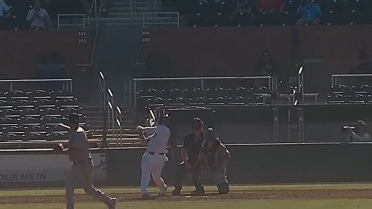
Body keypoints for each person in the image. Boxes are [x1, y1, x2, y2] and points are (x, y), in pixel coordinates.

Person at [56, 113, 117, 209]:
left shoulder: (79, 134)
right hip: (78, 164)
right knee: (69, 185)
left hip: (84, 165)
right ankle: (70, 207)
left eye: (70, 122)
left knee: (89, 190)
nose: (70, 125)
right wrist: (63, 127)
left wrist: (61, 151)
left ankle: (110, 201)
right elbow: (72, 129)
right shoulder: (76, 130)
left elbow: (75, 151)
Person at [136, 114, 171, 199]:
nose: (164, 122)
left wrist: (142, 129)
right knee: (146, 173)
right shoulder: (157, 131)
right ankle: (143, 192)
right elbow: (147, 140)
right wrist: (141, 134)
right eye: (163, 120)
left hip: (160, 157)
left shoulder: (166, 130)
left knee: (156, 176)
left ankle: (163, 188)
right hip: (148, 155)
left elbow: (151, 130)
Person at [172, 118, 206, 196]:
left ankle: (199, 188)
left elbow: (203, 154)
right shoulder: (188, 137)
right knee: (180, 168)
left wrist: (196, 164)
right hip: (191, 160)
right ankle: (177, 188)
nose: (196, 131)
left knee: (195, 170)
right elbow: (183, 152)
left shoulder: (205, 137)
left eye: (198, 129)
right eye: (195, 129)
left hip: (204, 161)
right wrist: (187, 163)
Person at [195, 128, 231, 194]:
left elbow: (227, 156)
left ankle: (221, 183)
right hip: (207, 169)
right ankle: (199, 188)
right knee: (195, 172)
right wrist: (195, 166)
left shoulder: (219, 146)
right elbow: (200, 158)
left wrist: (221, 165)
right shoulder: (203, 146)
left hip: (217, 169)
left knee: (224, 190)